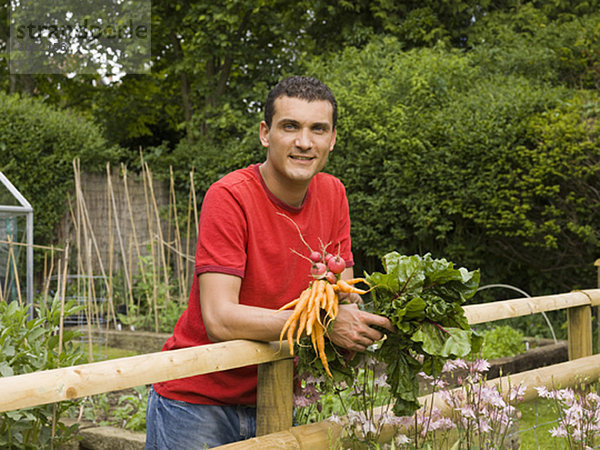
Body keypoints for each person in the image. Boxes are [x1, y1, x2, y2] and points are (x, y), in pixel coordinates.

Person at [145, 75, 393, 449]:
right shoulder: (229, 197)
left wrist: (374, 321)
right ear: (265, 133)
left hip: (276, 391)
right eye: (290, 126)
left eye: (318, 129)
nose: (304, 142)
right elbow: (219, 319)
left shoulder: (333, 194)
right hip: (199, 400)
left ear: (333, 139)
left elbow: (342, 297)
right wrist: (323, 326)